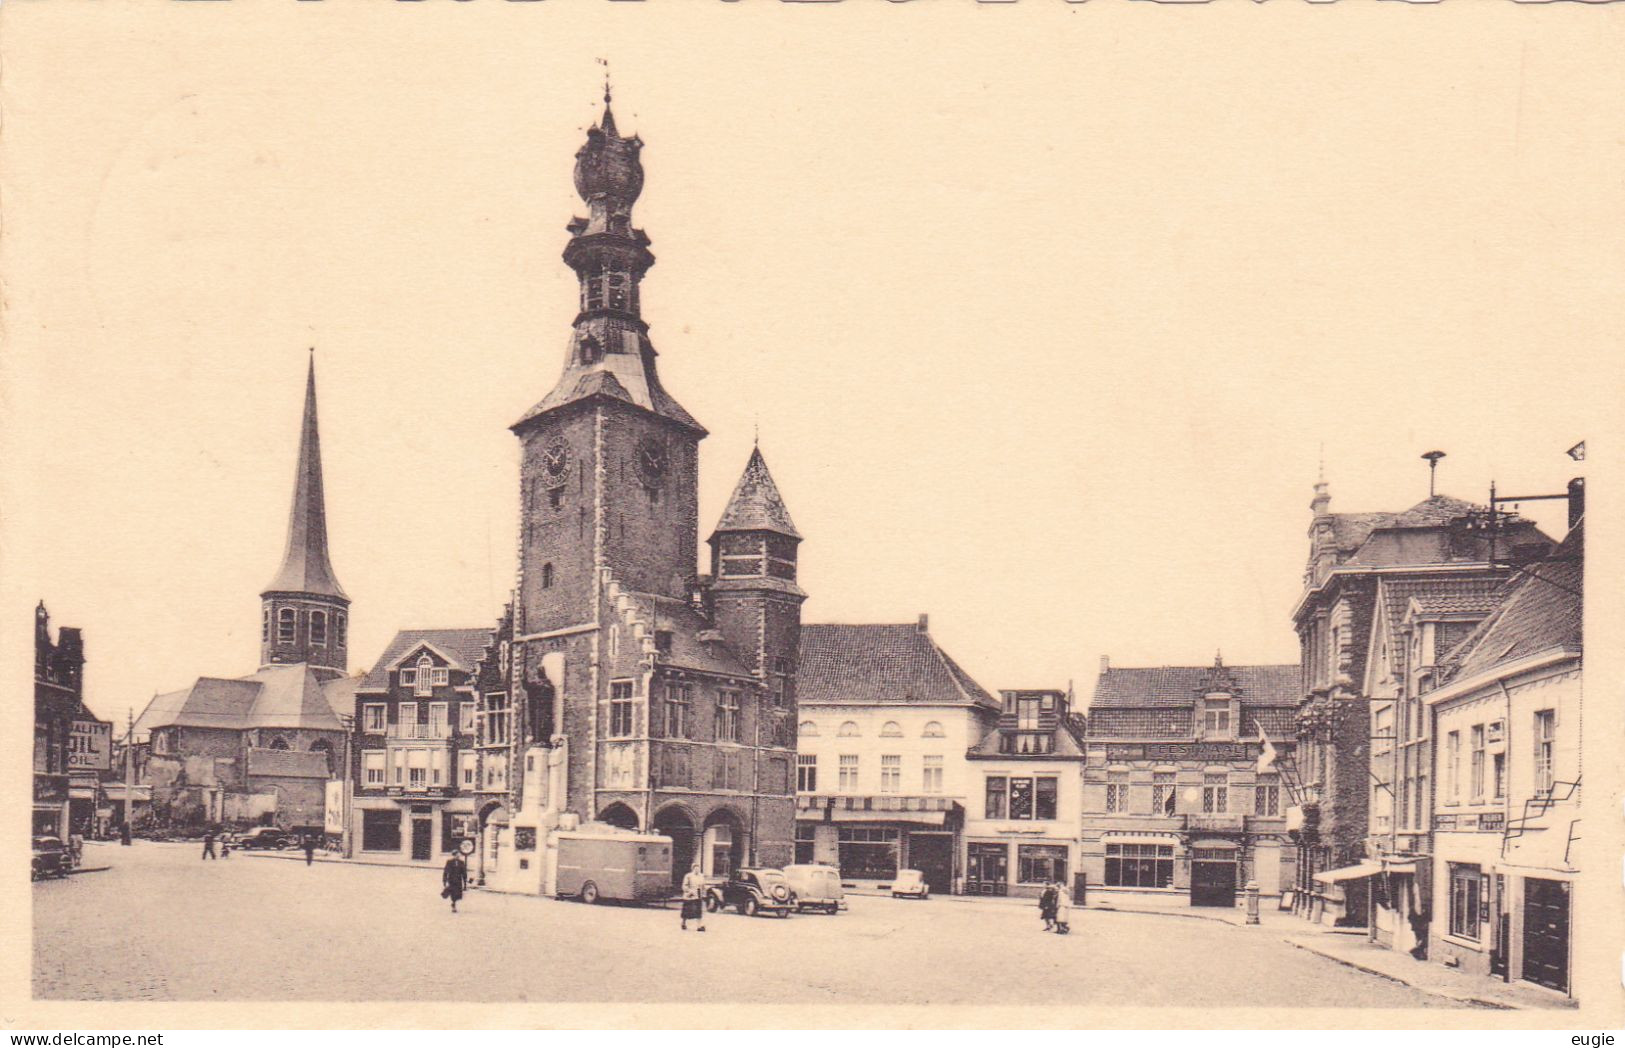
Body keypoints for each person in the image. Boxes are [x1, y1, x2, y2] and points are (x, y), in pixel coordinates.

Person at [680, 861, 708, 932]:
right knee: (686, 911)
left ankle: (699, 926)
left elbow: (703, 886)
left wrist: (704, 893)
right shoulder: (688, 876)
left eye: (698, 868)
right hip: (689, 896)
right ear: (692, 869)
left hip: (698, 896)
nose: (697, 870)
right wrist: (689, 891)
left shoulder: (701, 876)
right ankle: (683, 923)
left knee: (698, 911)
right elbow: (684, 886)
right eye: (695, 868)